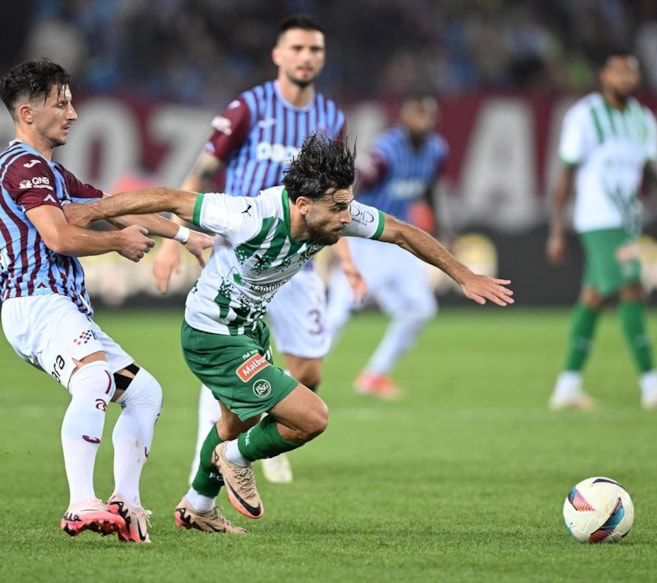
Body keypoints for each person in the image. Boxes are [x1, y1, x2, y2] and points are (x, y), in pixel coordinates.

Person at [65, 132, 515, 534]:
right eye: (337, 208)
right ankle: (235, 459)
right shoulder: (249, 216)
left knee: (232, 424)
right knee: (311, 417)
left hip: (249, 331)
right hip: (212, 337)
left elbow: (400, 231)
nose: (347, 217)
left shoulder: (333, 211)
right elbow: (170, 198)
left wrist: (463, 275)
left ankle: (198, 506)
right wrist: (92, 211)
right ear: (303, 205)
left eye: (348, 205)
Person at [0, 58, 212, 543]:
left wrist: (186, 236)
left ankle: (125, 501)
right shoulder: (23, 166)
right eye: (61, 104)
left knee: (145, 393)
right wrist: (116, 242)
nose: (73, 113)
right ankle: (80, 503)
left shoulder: (52, 173)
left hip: (58, 307)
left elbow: (116, 208)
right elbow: (59, 238)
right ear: (27, 113)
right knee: (95, 377)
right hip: (37, 302)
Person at [152, 13, 363, 485]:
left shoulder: (331, 118)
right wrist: (171, 241)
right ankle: (211, 466)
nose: (306, 57)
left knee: (309, 371)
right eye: (297, 48)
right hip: (242, 253)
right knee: (228, 358)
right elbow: (200, 173)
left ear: (323, 57)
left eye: (314, 49)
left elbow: (338, 199)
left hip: (299, 257)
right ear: (278, 55)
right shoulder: (248, 108)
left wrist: (346, 260)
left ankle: (270, 428)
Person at [546, 52, 657, 411]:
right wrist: (556, 228)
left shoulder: (642, 117)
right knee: (631, 287)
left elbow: (650, 166)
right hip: (598, 219)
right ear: (604, 75)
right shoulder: (584, 115)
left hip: (627, 219)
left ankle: (567, 387)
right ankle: (652, 385)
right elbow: (566, 173)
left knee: (594, 298)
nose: (625, 78)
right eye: (618, 72)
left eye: (631, 72)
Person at [326, 94, 449, 400]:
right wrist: (335, 224)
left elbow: (430, 190)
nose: (421, 120)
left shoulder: (437, 150)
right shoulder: (387, 151)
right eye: (415, 114)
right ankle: (296, 377)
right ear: (403, 117)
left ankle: (374, 374)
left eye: (426, 114)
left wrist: (444, 231)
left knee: (421, 308)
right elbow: (358, 181)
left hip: (397, 241)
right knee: (337, 314)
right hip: (366, 240)